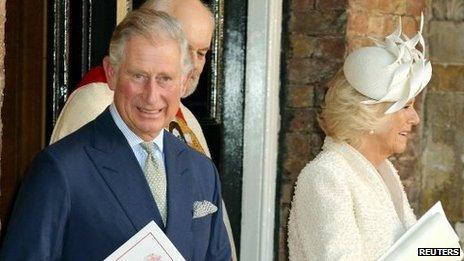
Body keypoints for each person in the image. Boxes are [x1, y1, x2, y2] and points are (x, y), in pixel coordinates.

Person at [1, 9, 231, 260]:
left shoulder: (203, 172)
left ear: (184, 81)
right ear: (111, 73)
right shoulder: (59, 170)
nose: (151, 96)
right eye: (139, 76)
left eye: (165, 79)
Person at [288, 17, 432, 260]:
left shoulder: (385, 173)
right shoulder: (326, 177)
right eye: (406, 107)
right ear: (369, 115)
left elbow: (415, 249)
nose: (415, 118)